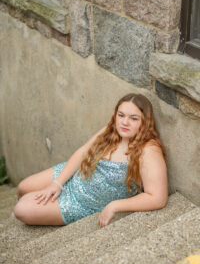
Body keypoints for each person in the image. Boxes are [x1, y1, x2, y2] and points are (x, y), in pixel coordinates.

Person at [14, 93, 168, 228]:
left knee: (22, 209)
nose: (124, 122)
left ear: (145, 122)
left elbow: (157, 197)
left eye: (133, 118)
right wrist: (58, 183)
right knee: (23, 187)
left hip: (83, 203)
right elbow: (83, 152)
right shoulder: (113, 129)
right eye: (121, 115)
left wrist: (115, 205)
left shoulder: (148, 150)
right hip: (77, 176)